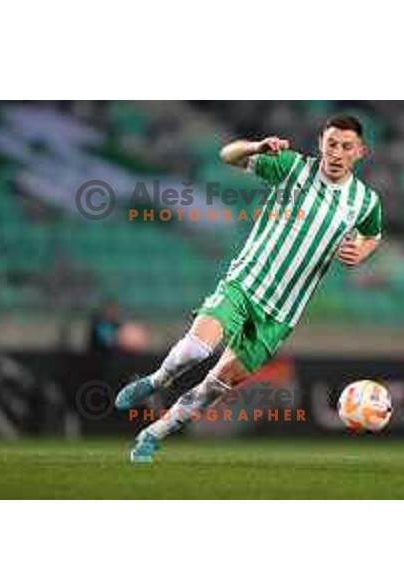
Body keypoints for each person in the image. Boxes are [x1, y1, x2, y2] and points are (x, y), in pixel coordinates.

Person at [115, 115, 383, 463]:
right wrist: (256, 146)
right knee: (195, 351)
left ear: (359, 152)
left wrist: (361, 250)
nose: (337, 152)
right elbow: (228, 155)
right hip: (246, 282)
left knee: (216, 384)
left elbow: (373, 235)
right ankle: (156, 380)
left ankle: (152, 435)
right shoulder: (293, 167)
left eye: (346, 147)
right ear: (321, 143)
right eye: (331, 144)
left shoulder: (365, 201)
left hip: (282, 313)